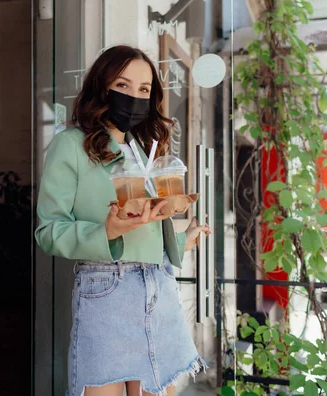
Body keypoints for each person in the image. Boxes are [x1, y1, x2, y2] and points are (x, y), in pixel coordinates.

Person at [35, 45, 210, 396]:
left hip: (157, 288)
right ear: (102, 87)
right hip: (106, 290)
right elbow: (49, 230)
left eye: (144, 89)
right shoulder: (70, 145)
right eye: (123, 85)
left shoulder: (145, 150)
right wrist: (106, 231)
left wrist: (181, 237)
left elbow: (144, 231)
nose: (134, 96)